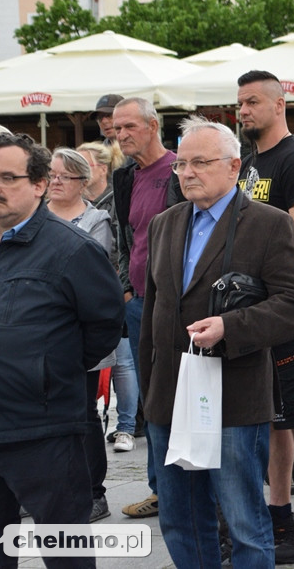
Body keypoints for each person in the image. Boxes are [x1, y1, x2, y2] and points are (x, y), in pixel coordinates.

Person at [140, 117, 294, 568]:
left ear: (234, 166)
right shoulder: (165, 223)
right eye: (181, 164)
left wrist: (230, 327)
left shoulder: (268, 223)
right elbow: (153, 313)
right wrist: (148, 390)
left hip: (233, 393)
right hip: (170, 395)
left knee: (243, 521)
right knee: (180, 517)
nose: (187, 173)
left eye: (200, 162)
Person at [0, 132, 123, 566]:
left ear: (40, 183)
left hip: (42, 433)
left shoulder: (72, 250)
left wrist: (45, 372)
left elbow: (103, 328)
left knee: (65, 553)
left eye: (8, 177)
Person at [235, 70, 294, 563]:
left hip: (290, 312)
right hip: (256, 314)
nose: (244, 111)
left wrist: (282, 304)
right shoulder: (251, 161)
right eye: (240, 103)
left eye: (253, 102)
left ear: (280, 104)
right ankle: (277, 511)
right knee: (274, 420)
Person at [113, 96, 183, 519]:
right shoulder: (125, 177)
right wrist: (125, 289)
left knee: (176, 400)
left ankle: (183, 489)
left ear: (153, 126)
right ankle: (161, 490)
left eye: (128, 127)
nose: (120, 135)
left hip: (175, 307)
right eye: (116, 129)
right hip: (138, 303)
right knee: (151, 404)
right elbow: (127, 236)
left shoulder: (179, 170)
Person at [47, 147, 117, 522]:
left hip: (79, 335)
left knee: (84, 414)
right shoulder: (35, 216)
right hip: (40, 336)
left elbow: (87, 277)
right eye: (51, 175)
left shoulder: (96, 220)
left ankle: (94, 492)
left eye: (63, 176)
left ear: (80, 181)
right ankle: (46, 488)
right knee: (44, 413)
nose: (54, 182)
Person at [78, 141, 139, 457]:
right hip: (81, 294)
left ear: (101, 167)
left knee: (123, 361)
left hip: (113, 286)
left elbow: (122, 242)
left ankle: (126, 427)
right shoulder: (73, 201)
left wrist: (122, 285)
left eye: (83, 163)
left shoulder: (115, 198)